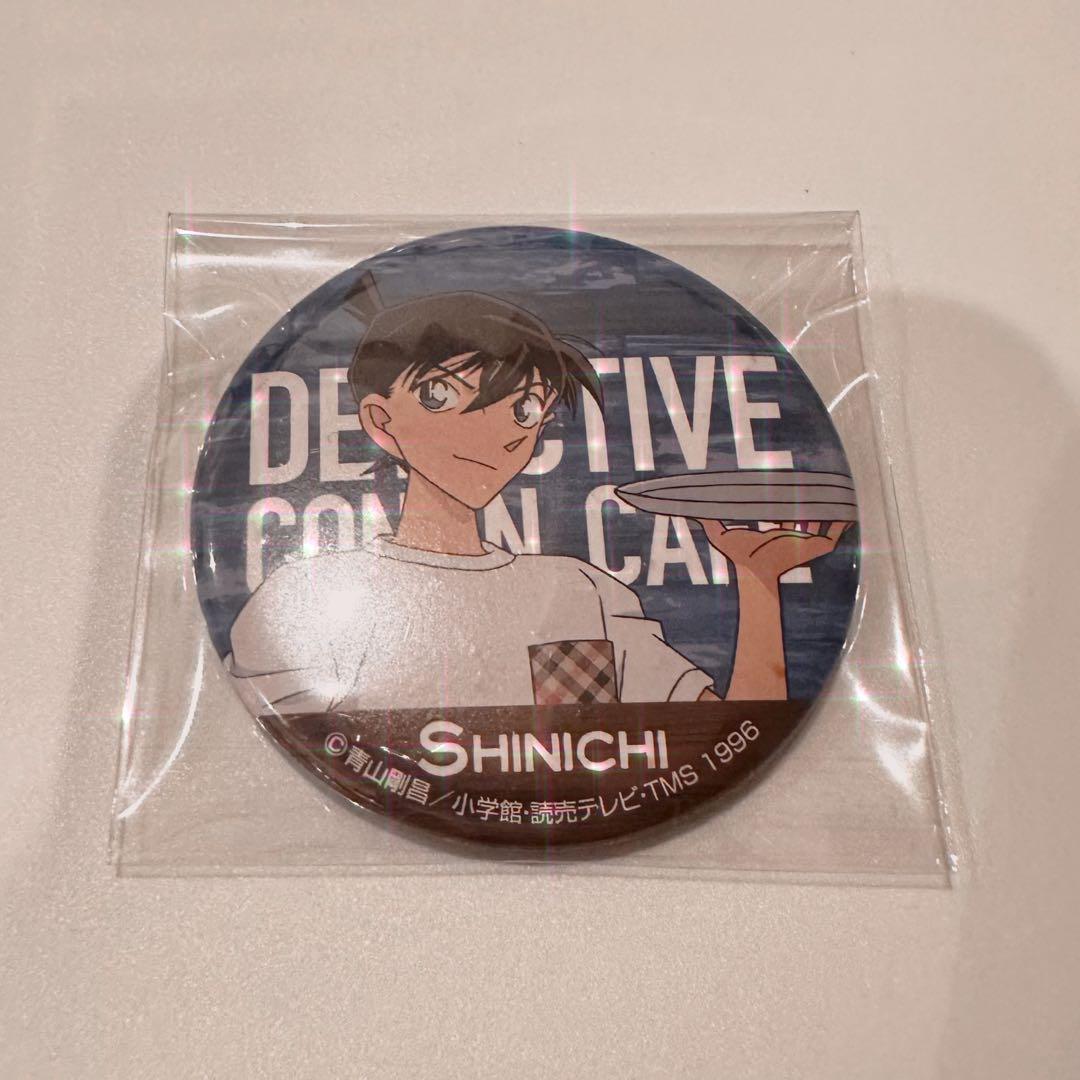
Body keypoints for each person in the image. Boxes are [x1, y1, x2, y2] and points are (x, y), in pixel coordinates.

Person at [226, 289, 848, 716]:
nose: (498, 434)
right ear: (381, 421)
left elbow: (727, 742)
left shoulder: (579, 593)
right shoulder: (306, 599)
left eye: (525, 410)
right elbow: (269, 766)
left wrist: (758, 582)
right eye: (441, 396)